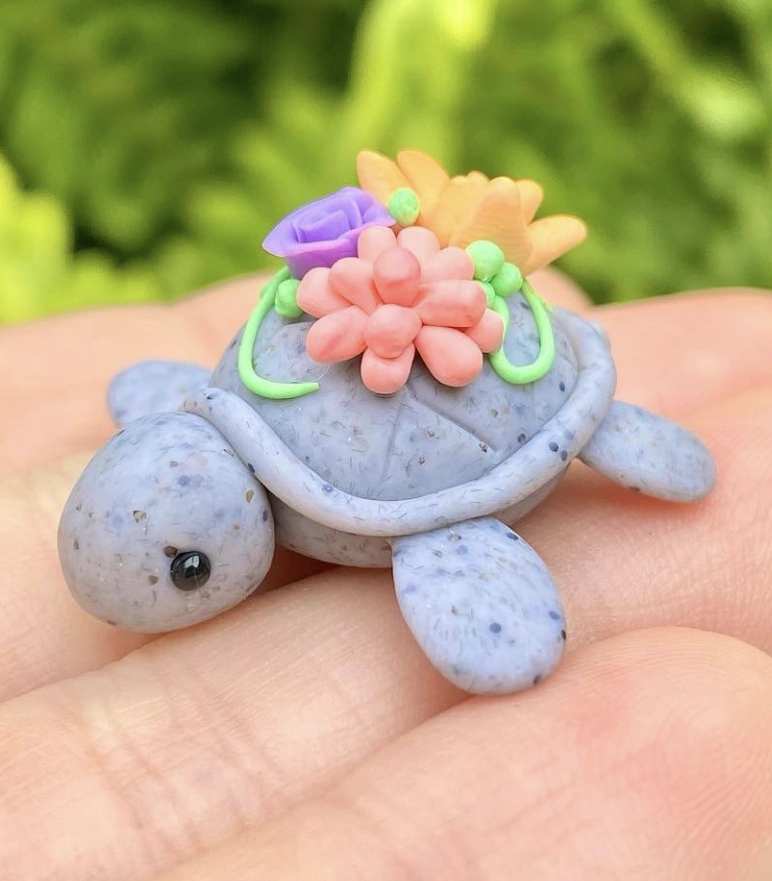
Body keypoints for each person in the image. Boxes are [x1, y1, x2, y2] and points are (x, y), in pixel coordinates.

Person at [1, 267, 771, 880]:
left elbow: (496, 624)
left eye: (190, 570)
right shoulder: (229, 406)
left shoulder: (381, 510)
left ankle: (610, 430)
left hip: (510, 371)